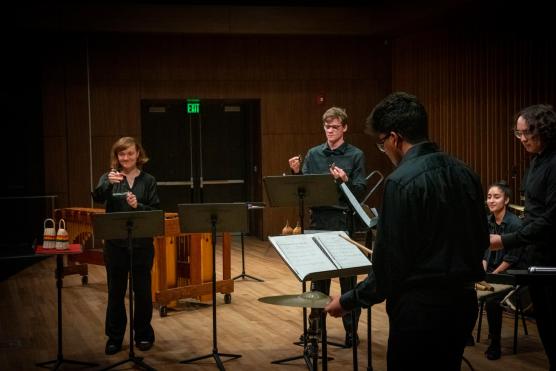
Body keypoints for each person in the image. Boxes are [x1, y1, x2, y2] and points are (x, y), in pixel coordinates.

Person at [325, 92, 489, 370]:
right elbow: (481, 239)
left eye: (381, 143)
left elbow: (390, 265)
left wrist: (350, 300)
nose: (385, 150)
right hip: (463, 305)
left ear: (394, 138)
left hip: (420, 311)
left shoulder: (400, 182)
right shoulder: (466, 173)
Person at [288, 106, 367, 347]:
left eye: (334, 127)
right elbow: (305, 187)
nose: (330, 131)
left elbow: (361, 191)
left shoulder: (355, 155)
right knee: (318, 281)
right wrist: (297, 172)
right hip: (318, 221)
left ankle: (351, 331)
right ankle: (315, 329)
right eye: (327, 127)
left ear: (344, 128)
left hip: (343, 221)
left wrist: (345, 180)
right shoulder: (314, 154)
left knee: (347, 282)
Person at [490, 104, 556, 370]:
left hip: (552, 258)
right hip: (537, 256)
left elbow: (551, 219)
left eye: (527, 133)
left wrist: (505, 240)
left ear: (545, 130)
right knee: (546, 322)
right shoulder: (537, 160)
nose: (523, 139)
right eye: (518, 134)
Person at [91, 137, 160, 355]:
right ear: (117, 157)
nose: (126, 158)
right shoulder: (109, 177)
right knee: (116, 292)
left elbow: (155, 212)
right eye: (121, 154)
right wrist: (107, 184)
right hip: (115, 245)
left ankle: (143, 335)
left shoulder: (148, 180)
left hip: (141, 245)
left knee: (142, 292)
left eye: (130, 153)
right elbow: (97, 197)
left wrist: (137, 205)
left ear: (138, 154)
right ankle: (114, 337)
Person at [482, 180, 525, 360]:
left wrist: (492, 275)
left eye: (496, 197)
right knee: (464, 289)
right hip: (490, 271)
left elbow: (512, 258)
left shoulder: (515, 224)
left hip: (509, 272)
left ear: (506, 200)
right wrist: (482, 272)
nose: (491, 200)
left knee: (491, 299)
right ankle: (464, 335)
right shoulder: (487, 221)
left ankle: (495, 344)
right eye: (489, 197)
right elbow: (483, 251)